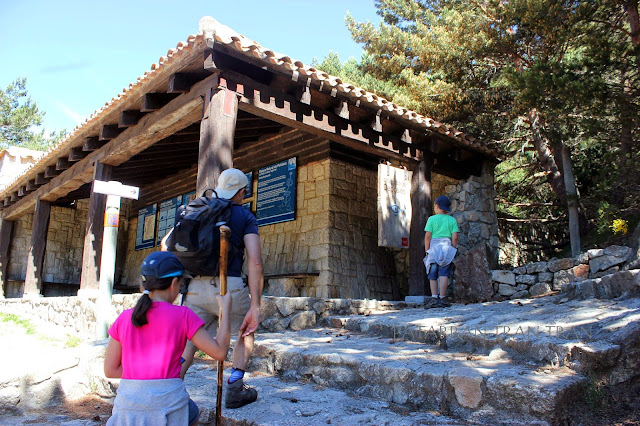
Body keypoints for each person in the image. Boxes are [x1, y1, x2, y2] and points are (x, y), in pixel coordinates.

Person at [104, 251, 231, 425]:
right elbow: (220, 352)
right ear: (173, 284)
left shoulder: (124, 318)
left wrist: (142, 375)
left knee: (191, 410)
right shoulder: (183, 315)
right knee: (191, 411)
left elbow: (110, 370)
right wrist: (225, 313)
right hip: (168, 407)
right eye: (181, 284)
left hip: (128, 408)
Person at [178, 167, 264, 409]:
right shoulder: (244, 216)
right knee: (246, 331)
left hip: (194, 287)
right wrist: (255, 306)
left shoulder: (197, 209)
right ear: (242, 192)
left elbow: (167, 243)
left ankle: (171, 386)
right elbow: (255, 261)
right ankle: (236, 388)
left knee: (190, 339)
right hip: (230, 285)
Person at [424, 195, 459, 308]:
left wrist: (427, 250)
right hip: (446, 248)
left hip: (434, 248)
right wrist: (453, 248)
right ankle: (443, 298)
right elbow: (455, 237)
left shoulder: (431, 219)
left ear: (437, 206)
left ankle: (434, 298)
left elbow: (427, 237)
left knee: (432, 274)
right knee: (444, 273)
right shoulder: (452, 220)